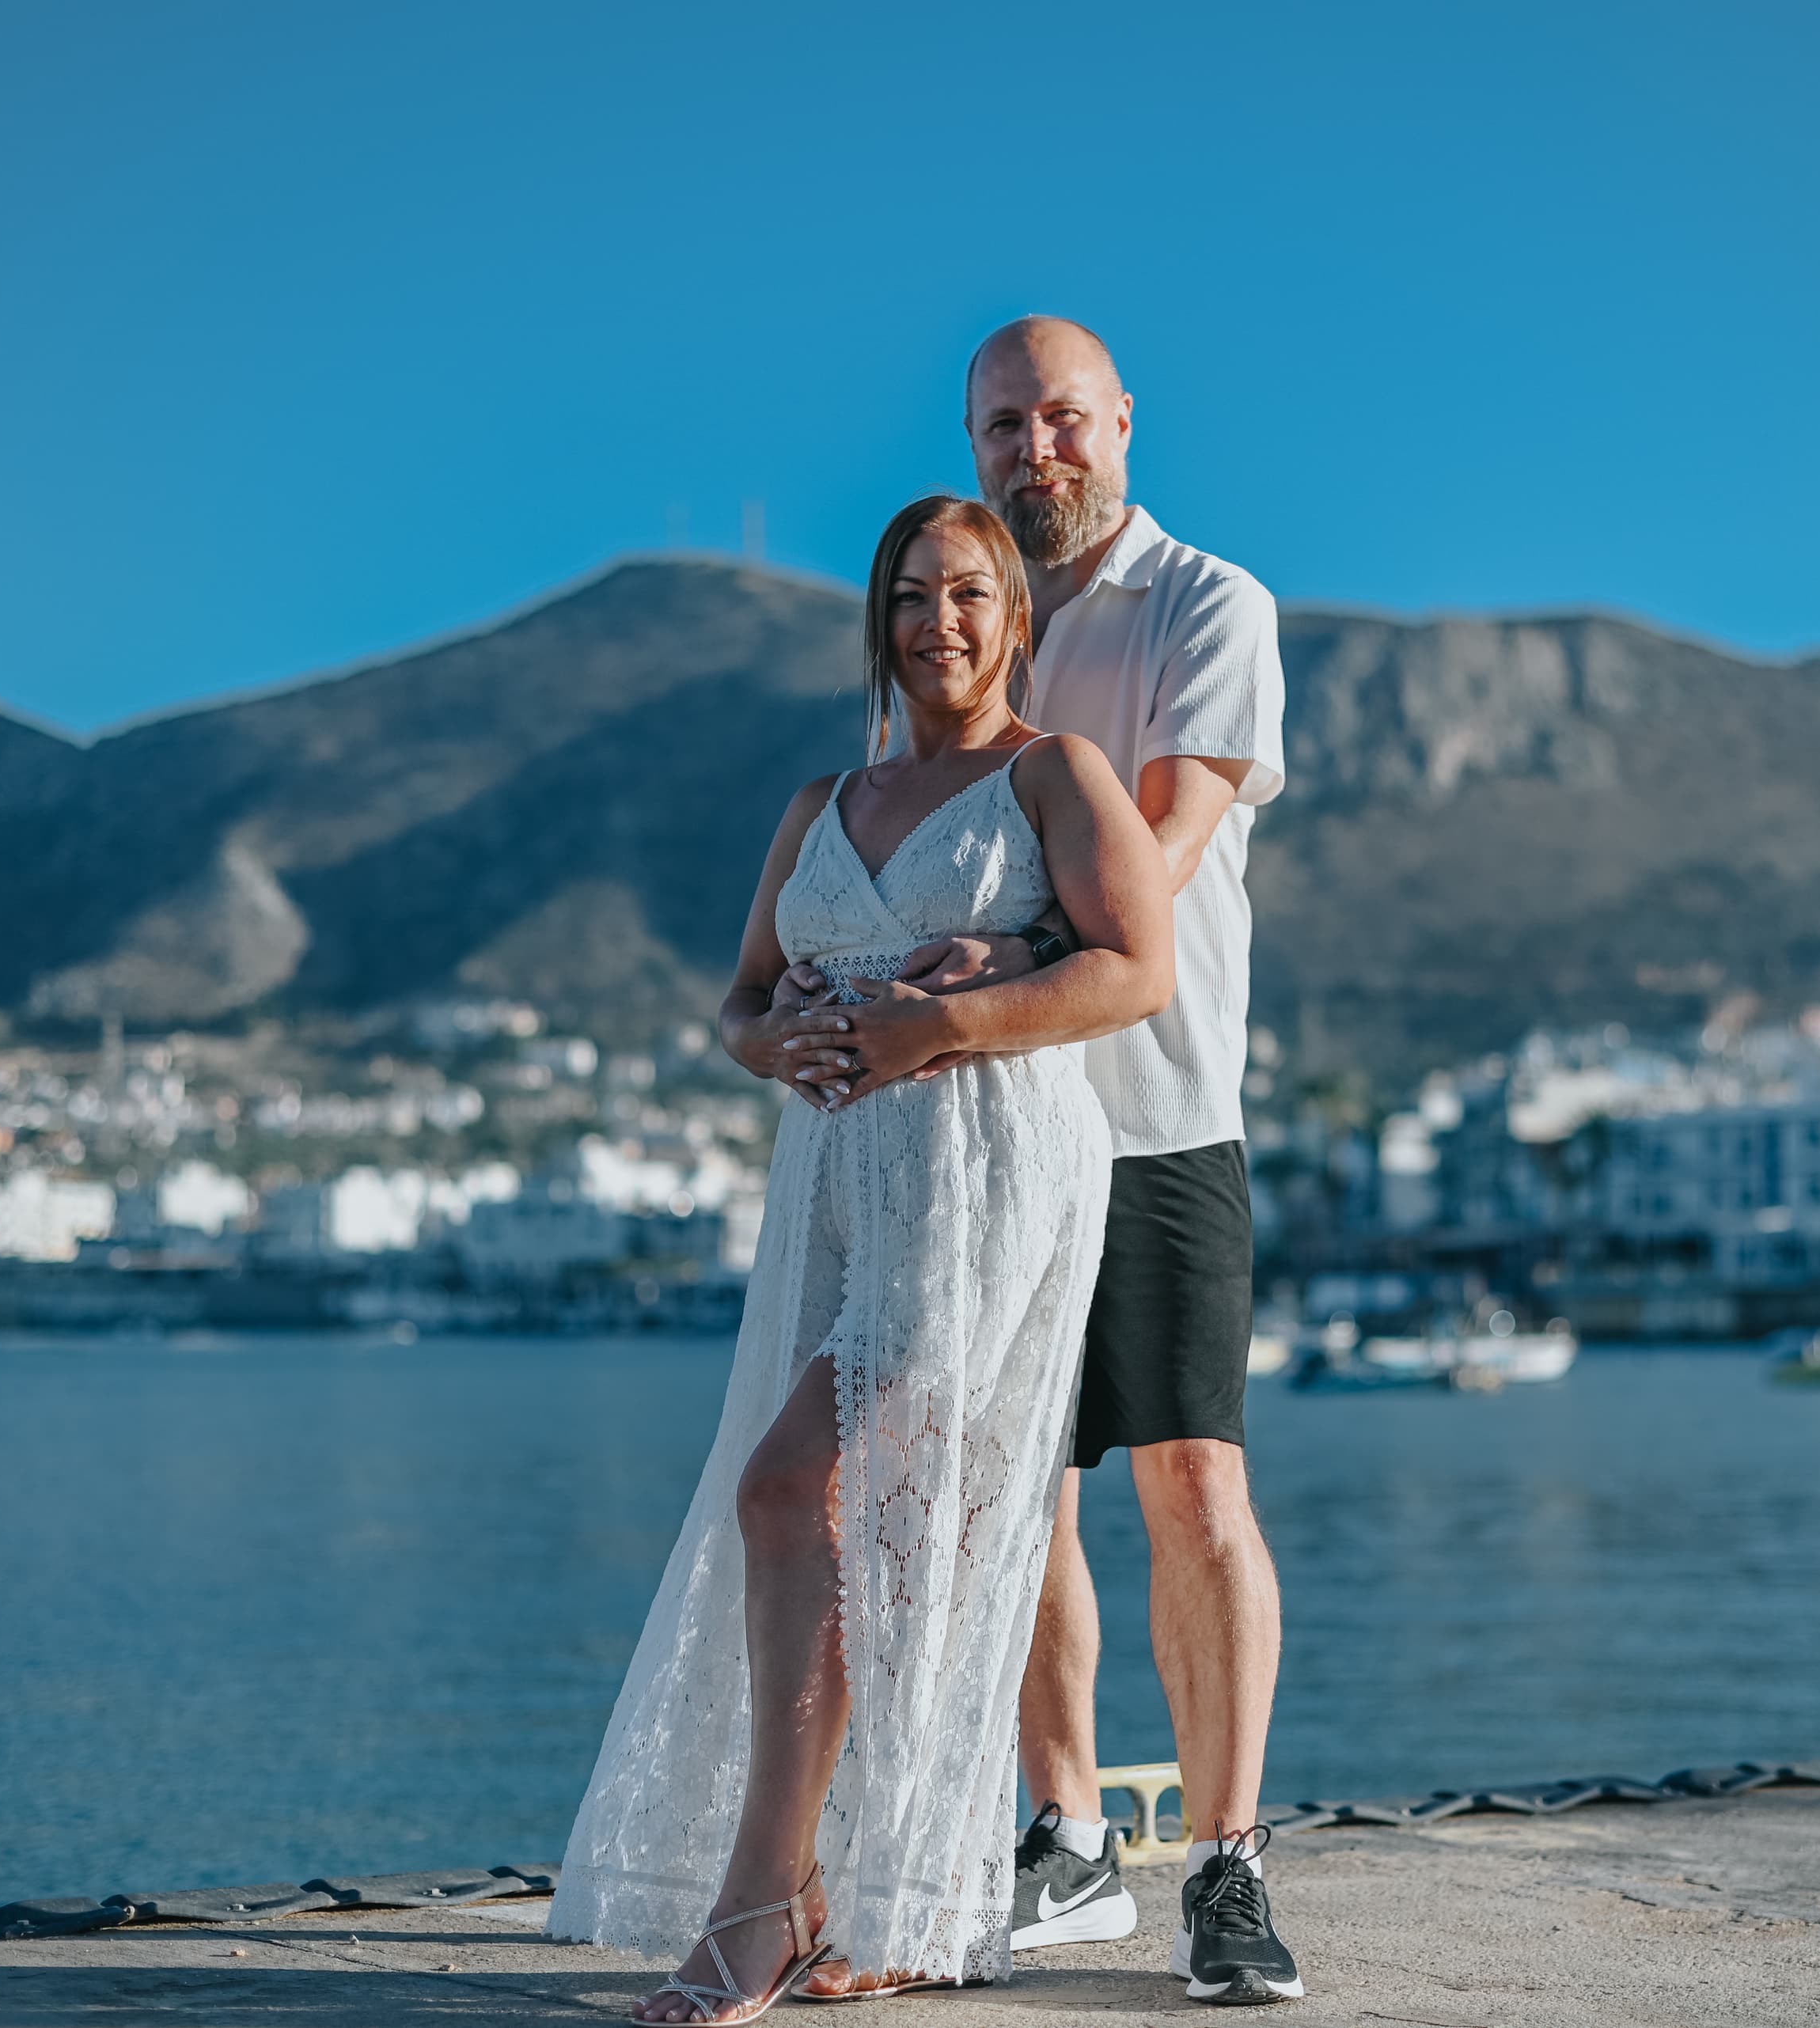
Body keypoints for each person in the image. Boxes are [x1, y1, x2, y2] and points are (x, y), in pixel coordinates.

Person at [548, 493, 1175, 2023]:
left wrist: (946, 1020)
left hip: (983, 1186)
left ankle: (763, 1899)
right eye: (910, 595)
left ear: (1014, 616)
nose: (938, 623)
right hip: (834, 1186)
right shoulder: (822, 800)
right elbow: (741, 1006)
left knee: (799, 1491)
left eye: (969, 594)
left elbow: (1136, 969)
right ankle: (869, 1890)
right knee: (865, 1536)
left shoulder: (1053, 777)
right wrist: (787, 1047)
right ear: (879, 619)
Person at [778, 317, 1300, 2006]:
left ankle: (1224, 1862)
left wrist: (973, 980)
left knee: (1193, 1485)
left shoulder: (1209, 608)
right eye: (1006, 424)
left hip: (1153, 1115)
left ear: (1124, 424)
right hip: (972, 1152)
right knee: (1016, 1490)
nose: (1037, 450)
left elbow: (1157, 851)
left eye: (1064, 418)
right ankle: (1065, 1833)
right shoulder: (973, 611)